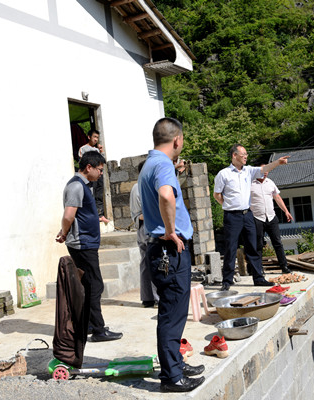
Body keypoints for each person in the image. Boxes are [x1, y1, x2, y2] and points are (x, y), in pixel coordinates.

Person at [138, 117, 205, 392]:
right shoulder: (163, 165)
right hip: (169, 248)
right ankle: (172, 377)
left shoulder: (151, 163)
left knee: (173, 311)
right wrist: (171, 231)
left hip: (160, 247)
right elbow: (166, 195)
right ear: (177, 140)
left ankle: (175, 363)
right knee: (172, 314)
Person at [55, 151, 123, 342]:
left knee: (89, 286)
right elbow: (69, 215)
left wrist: (94, 218)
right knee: (94, 285)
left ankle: (90, 325)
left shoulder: (82, 185)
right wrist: (64, 232)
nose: (101, 173)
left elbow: (78, 214)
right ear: (88, 167)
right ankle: (99, 330)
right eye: (99, 170)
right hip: (82, 244)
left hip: (86, 242)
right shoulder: (76, 186)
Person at [213, 144, 290, 291]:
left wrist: (278, 162)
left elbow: (264, 169)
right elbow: (217, 195)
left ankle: (258, 278)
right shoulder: (224, 174)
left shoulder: (248, 171)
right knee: (231, 248)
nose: (246, 157)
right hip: (232, 216)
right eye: (243, 154)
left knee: (253, 247)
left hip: (248, 214)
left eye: (246, 154)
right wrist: (227, 205)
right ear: (234, 155)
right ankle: (227, 281)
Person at [250, 164, 292, 274]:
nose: (265, 174)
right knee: (258, 245)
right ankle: (259, 269)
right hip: (257, 218)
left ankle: (284, 267)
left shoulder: (270, 182)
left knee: (278, 243)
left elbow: (277, 197)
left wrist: (286, 211)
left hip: (271, 217)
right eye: (263, 171)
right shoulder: (250, 183)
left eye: (267, 171)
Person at [130, 160, 159, 308]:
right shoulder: (141, 187)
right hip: (148, 227)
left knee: (146, 263)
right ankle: (156, 298)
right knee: (154, 261)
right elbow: (139, 214)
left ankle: (147, 298)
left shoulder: (139, 186)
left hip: (145, 228)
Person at [78, 129, 108, 222]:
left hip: (99, 175)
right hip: (90, 175)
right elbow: (82, 163)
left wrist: (101, 152)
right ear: (89, 137)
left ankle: (100, 214)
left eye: (97, 138)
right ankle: (94, 214)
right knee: (92, 193)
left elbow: (102, 162)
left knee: (99, 194)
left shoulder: (97, 150)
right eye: (94, 137)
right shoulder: (83, 149)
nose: (96, 139)